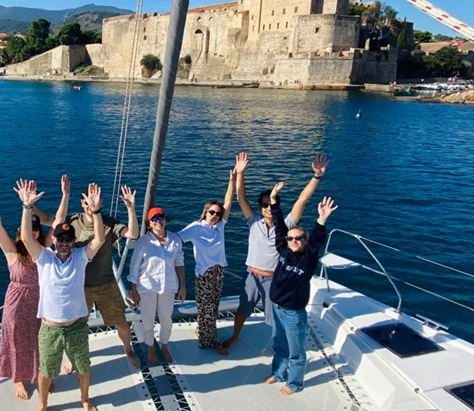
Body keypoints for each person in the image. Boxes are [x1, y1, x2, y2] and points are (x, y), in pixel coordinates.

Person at [17, 179, 106, 411]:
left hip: (76, 326)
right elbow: (26, 237)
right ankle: (43, 404)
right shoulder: (44, 258)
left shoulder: (80, 257)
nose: (65, 242)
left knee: (83, 366)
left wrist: (96, 211)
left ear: (74, 241)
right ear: (54, 240)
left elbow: (99, 239)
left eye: (69, 239)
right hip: (50, 328)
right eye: (60, 239)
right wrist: (27, 206)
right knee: (46, 371)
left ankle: (85, 399)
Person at [225, 152, 328, 349]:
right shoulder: (253, 221)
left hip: (275, 279)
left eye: (270, 204)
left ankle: (280, 350)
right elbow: (240, 197)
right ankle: (235, 336)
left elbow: (302, 200)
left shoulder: (287, 225)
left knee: (275, 318)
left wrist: (317, 176)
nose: (267, 208)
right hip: (252, 276)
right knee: (242, 310)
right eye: (264, 205)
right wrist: (240, 173)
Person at [0, 173, 69, 400]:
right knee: (17, 341)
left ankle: (41, 375)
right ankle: (18, 379)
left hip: (40, 301)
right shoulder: (12, 251)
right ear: (20, 232)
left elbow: (58, 221)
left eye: (36, 229)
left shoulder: (43, 251)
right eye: (28, 229)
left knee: (41, 341)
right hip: (17, 303)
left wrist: (65, 195)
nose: (33, 232)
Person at [37, 183, 141, 368]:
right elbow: (46, 219)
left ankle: (128, 350)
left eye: (93, 201)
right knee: (72, 328)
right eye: (86, 201)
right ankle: (71, 358)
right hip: (78, 288)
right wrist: (29, 205)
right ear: (82, 202)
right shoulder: (72, 222)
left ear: (99, 202)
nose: (89, 205)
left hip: (106, 285)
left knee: (122, 323)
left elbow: (133, 233)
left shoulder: (109, 222)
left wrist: (131, 208)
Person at [264, 182, 338, 396]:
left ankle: (294, 383)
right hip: (276, 306)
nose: (294, 241)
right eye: (291, 238)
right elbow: (279, 225)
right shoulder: (284, 250)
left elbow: (316, 242)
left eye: (299, 238)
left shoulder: (307, 260)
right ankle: (278, 373)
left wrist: (321, 220)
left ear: (304, 241)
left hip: (293, 312)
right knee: (278, 344)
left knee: (296, 351)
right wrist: (274, 200)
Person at [178, 167, 236, 355]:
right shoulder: (196, 227)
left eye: (218, 213)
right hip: (204, 274)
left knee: (214, 306)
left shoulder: (220, 226)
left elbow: (228, 202)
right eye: (212, 212)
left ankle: (206, 334)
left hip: (218, 271)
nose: (215, 216)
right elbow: (177, 239)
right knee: (206, 309)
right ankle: (210, 342)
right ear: (205, 212)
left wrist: (232, 181)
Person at [127, 206, 186, 365]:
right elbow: (134, 267)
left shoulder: (175, 240)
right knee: (148, 320)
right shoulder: (143, 242)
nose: (158, 221)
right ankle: (151, 348)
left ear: (165, 220)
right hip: (146, 287)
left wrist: (183, 286)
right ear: (149, 223)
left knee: (166, 319)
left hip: (168, 286)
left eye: (160, 218)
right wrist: (133, 289)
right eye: (154, 219)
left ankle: (165, 346)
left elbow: (179, 263)